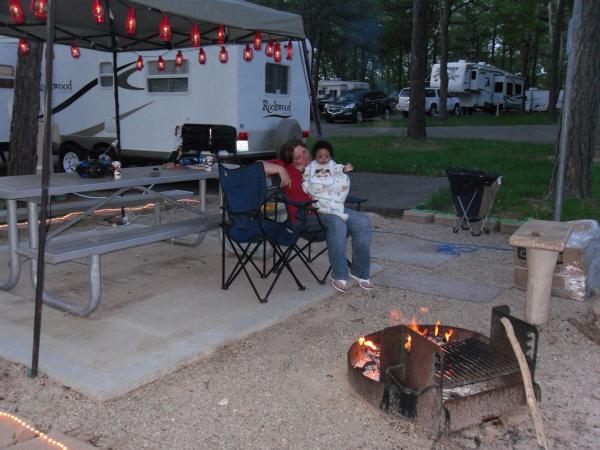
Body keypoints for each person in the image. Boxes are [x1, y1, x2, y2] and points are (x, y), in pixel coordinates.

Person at [264, 139, 373, 293]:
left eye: (305, 152)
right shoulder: (286, 167)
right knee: (337, 223)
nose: (305, 157)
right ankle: (339, 274)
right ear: (291, 160)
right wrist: (279, 170)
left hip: (329, 208)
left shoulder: (320, 165)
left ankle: (359, 271)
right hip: (304, 217)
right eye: (299, 157)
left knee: (363, 222)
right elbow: (257, 165)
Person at [302, 140, 353, 221]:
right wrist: (303, 172)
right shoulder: (312, 165)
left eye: (326, 156)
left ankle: (334, 206)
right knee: (306, 184)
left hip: (330, 190)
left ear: (330, 156)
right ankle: (324, 206)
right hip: (317, 191)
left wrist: (344, 168)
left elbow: (338, 168)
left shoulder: (332, 165)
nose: (323, 159)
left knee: (344, 178)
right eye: (320, 156)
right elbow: (306, 174)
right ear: (315, 156)